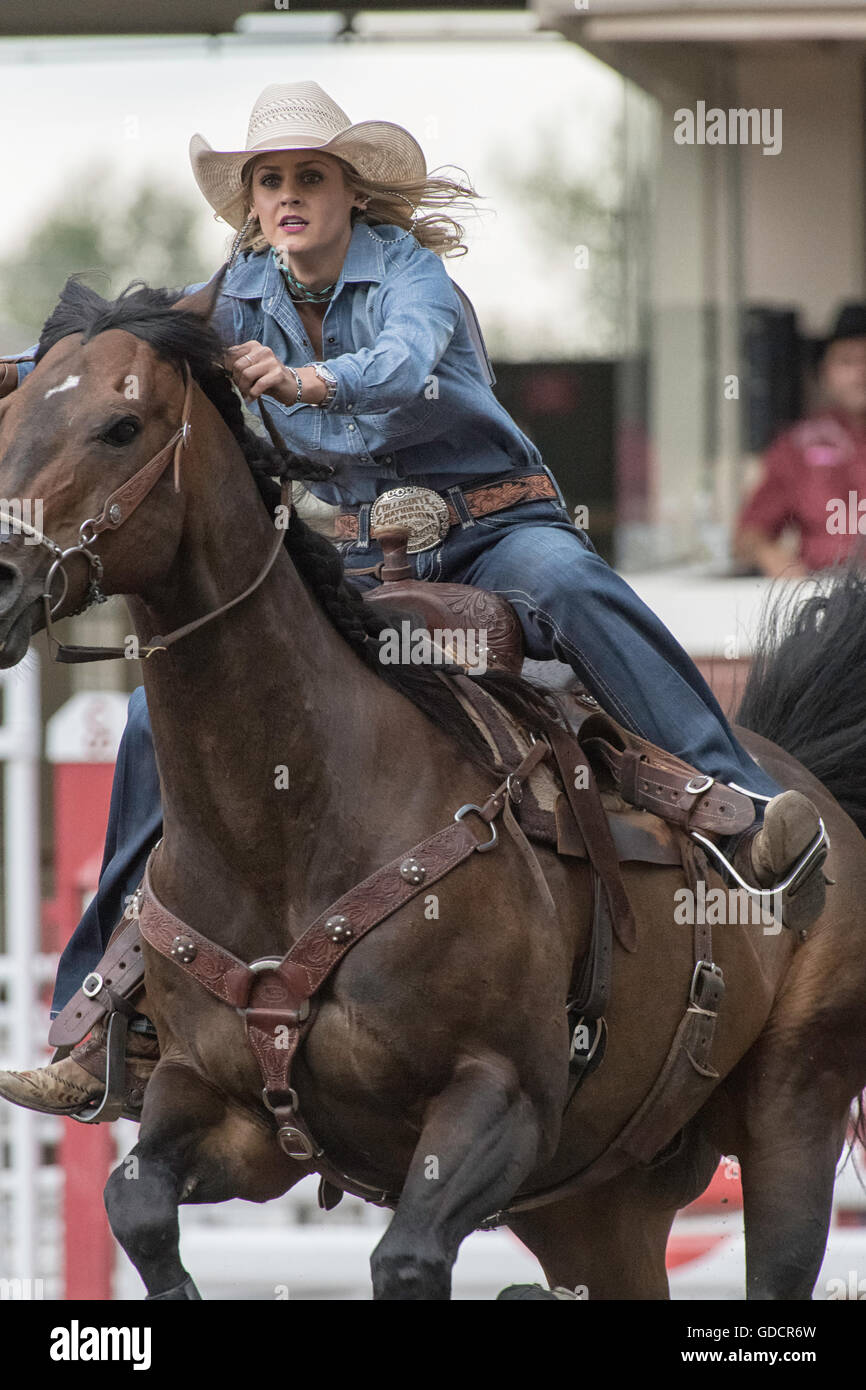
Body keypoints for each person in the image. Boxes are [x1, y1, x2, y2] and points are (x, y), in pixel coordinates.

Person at [0, 81, 828, 1117]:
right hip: (350, 558)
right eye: (272, 181)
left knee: (570, 583)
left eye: (310, 177)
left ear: (350, 196)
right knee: (145, 719)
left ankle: (736, 804)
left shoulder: (412, 275)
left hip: (489, 527)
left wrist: (312, 384)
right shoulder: (235, 292)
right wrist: (37, 377)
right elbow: (119, 359)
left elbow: (402, 363)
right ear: (251, 204)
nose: (289, 196)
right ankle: (100, 1014)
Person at [735, 303, 866, 577]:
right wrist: (770, 555)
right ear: (825, 372)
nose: (860, 373)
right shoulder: (797, 446)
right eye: (847, 361)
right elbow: (747, 537)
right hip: (826, 599)